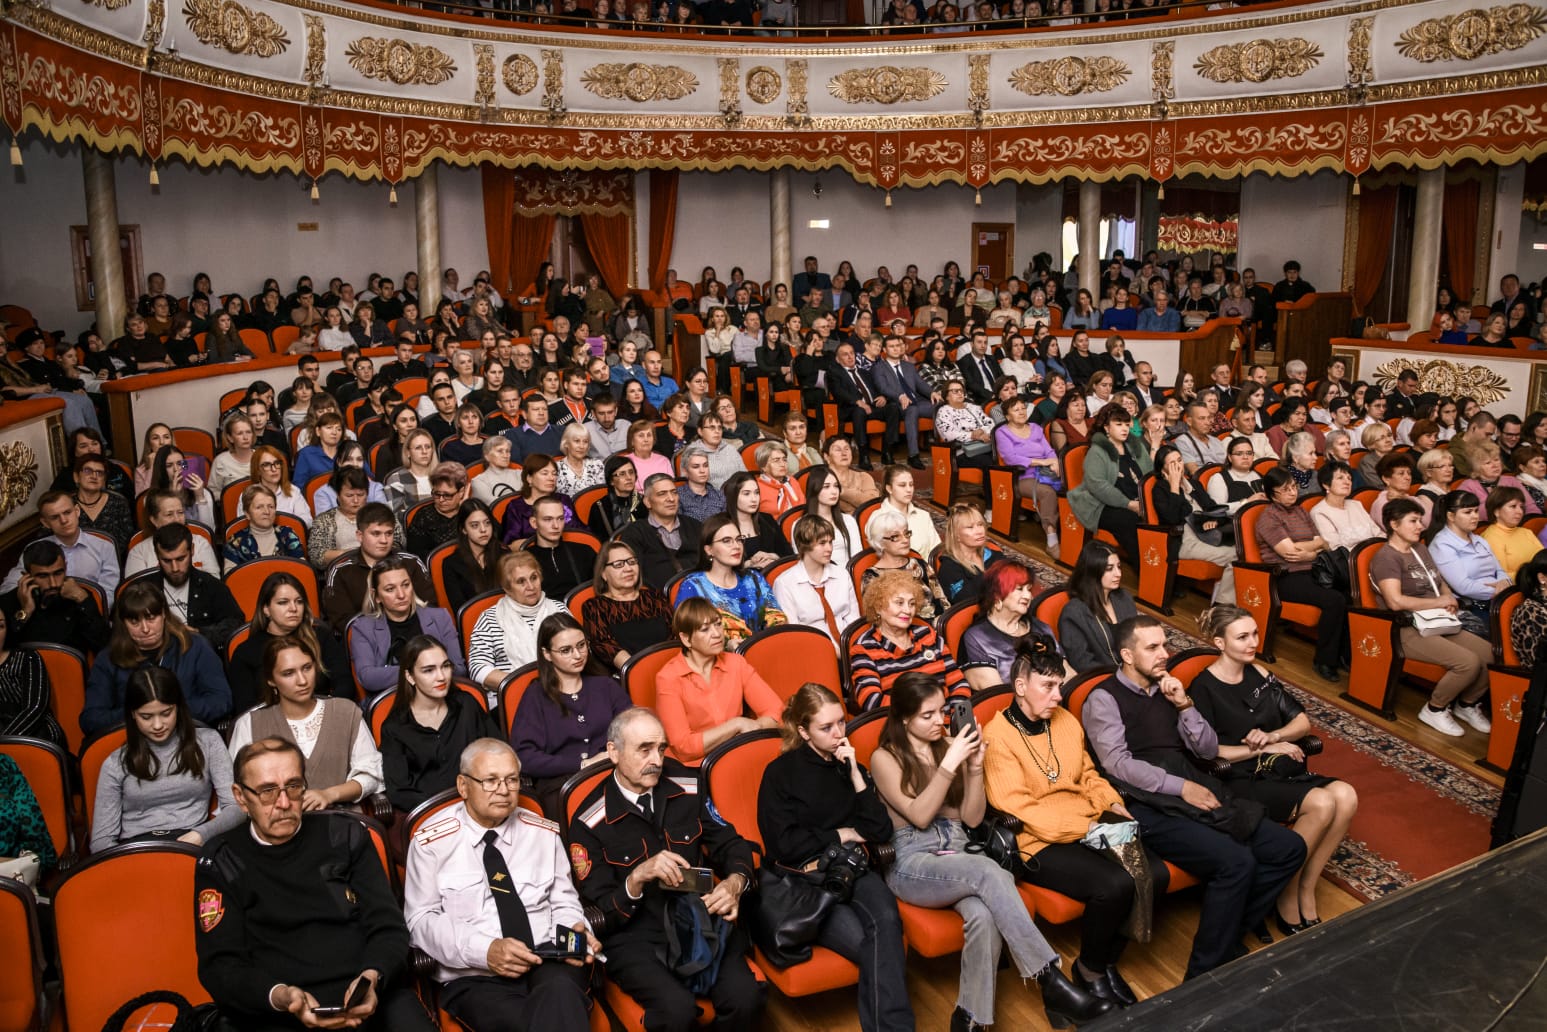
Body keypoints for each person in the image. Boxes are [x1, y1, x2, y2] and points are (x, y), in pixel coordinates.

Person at [873, 671, 1113, 1028]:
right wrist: (950, 763)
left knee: (983, 917)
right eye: (927, 715)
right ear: (904, 718)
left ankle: (968, 1019)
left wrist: (973, 769)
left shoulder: (947, 746)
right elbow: (920, 816)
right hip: (912, 860)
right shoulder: (885, 758)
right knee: (989, 870)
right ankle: (1051, 981)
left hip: (958, 850)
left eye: (942, 711)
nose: (939, 721)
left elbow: (971, 818)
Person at [1081, 615, 1307, 979]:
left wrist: (1184, 704)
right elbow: (1118, 765)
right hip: (1144, 804)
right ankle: (1203, 974)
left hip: (1192, 784)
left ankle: (1228, 938)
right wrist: (1181, 787)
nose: (1164, 654)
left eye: (1164, 645)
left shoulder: (1169, 690)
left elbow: (1206, 750)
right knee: (1237, 862)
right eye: (1152, 648)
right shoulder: (1104, 698)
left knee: (1289, 848)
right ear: (1127, 655)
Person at [194, 737, 432, 1032]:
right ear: (241, 797)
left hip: (365, 994)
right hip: (277, 1010)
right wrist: (281, 997)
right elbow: (221, 967)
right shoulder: (221, 859)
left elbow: (388, 928)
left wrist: (373, 976)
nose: (284, 803)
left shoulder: (344, 836)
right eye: (267, 791)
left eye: (293, 786)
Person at [983, 645, 1160, 1009]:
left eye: (1059, 685)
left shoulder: (1065, 721)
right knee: (1113, 885)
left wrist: (1111, 804)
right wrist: (1089, 826)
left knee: (1152, 872)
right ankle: (1089, 969)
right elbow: (1021, 810)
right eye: (1047, 686)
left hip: (1088, 821)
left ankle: (1106, 960)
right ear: (1020, 686)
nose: (1058, 696)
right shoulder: (997, 737)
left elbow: (1089, 775)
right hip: (1037, 840)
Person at [567, 708, 763, 1031]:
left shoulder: (688, 784)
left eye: (660, 748)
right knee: (677, 1012)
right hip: (635, 935)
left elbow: (731, 844)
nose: (656, 760)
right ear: (613, 752)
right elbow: (601, 912)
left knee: (746, 998)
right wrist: (636, 878)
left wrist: (735, 883)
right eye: (644, 750)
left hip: (697, 917)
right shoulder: (589, 821)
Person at [404, 736, 598, 1031]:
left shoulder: (541, 832)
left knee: (560, 991)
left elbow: (564, 901)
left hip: (546, 958)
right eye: (491, 781)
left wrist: (573, 930)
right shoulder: (432, 842)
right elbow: (421, 920)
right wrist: (485, 950)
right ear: (463, 785)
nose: (504, 790)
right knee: (540, 1019)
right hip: (474, 975)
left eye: (512, 779)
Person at [1191, 605, 1360, 934]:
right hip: (1239, 777)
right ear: (1220, 643)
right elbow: (1210, 752)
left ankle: (1306, 886)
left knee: (1346, 795)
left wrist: (1274, 736)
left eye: (1254, 633)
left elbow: (1302, 722)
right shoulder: (1203, 688)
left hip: (1277, 770)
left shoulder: (1259, 674)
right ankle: (1286, 891)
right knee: (1322, 802)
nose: (1253, 642)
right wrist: (1263, 748)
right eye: (1242, 637)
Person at [757, 684, 916, 1032]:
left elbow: (879, 829)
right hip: (808, 881)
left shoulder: (848, 765)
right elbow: (783, 845)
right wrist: (840, 834)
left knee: (888, 922)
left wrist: (856, 775)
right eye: (826, 727)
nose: (838, 733)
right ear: (803, 731)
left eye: (841, 722)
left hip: (852, 868)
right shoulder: (780, 773)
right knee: (872, 947)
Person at [1371, 498, 1494, 737]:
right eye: (1413, 521)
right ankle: (1434, 708)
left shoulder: (1419, 549)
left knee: (1490, 655)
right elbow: (1395, 602)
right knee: (1468, 663)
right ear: (1394, 525)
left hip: (1438, 619)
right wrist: (1438, 602)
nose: (1420, 526)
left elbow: (1438, 581)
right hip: (1407, 626)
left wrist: (1447, 597)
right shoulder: (1386, 557)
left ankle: (1466, 704)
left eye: (1420, 520)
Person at [89, 665, 242, 851]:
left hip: (192, 841)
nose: (157, 725)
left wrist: (201, 835)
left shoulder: (209, 742)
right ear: (133, 714)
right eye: (146, 717)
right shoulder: (116, 763)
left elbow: (236, 807)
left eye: (166, 713)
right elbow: (101, 840)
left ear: (178, 708)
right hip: (137, 848)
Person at [228, 636, 384, 809]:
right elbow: (238, 789)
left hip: (342, 817)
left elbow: (371, 775)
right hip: (275, 821)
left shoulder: (346, 712)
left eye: (307, 668)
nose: (302, 681)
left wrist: (329, 794)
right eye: (288, 673)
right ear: (271, 679)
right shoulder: (250, 723)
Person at [81, 580, 231, 737]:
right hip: (131, 741)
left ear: (164, 614)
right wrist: (141, 713)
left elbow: (221, 701)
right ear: (123, 623)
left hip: (189, 735)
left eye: (151, 618)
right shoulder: (108, 658)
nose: (145, 629)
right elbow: (91, 719)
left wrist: (171, 710)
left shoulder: (195, 646)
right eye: (134, 622)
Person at [653, 597, 782, 764]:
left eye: (718, 624)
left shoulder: (736, 663)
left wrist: (751, 728)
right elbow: (684, 747)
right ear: (686, 639)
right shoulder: (668, 677)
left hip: (739, 753)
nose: (717, 634)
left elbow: (777, 712)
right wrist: (735, 726)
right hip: (697, 766)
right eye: (705, 629)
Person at [379, 635, 495, 814]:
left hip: (481, 804)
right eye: (428, 670)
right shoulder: (395, 727)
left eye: (445, 666)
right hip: (431, 814)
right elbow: (399, 792)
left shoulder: (467, 704)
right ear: (410, 676)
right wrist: (443, 809)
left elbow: (497, 752)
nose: (441, 677)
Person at [1254, 467, 1351, 681]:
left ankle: (1344, 655)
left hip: (1313, 569)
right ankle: (1324, 661)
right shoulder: (1268, 517)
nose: (1292, 492)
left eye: (1294, 487)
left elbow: (1324, 543)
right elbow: (1289, 553)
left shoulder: (1300, 511)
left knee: (1348, 593)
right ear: (1272, 494)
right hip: (1286, 577)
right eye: (1285, 489)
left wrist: (1310, 553)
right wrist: (1314, 548)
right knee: (1334, 600)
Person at [849, 569, 969, 711]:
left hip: (948, 718)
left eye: (911, 604)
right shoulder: (864, 649)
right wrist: (923, 715)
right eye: (899, 603)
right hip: (903, 723)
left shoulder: (928, 634)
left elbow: (959, 683)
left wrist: (955, 717)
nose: (907, 610)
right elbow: (871, 701)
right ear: (878, 607)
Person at [348, 557, 466, 697]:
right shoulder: (363, 628)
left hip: (441, 696)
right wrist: (419, 670)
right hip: (394, 700)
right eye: (390, 589)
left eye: (405, 585)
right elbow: (368, 677)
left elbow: (459, 668)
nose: (401, 595)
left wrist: (421, 671)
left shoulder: (440, 617)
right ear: (376, 596)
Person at [320, 502, 436, 634]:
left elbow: (429, 606)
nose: (384, 540)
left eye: (389, 533)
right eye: (376, 534)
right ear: (360, 536)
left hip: (415, 633)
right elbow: (342, 620)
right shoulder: (340, 570)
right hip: (364, 638)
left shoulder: (411, 562)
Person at [469, 551, 569, 690]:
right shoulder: (489, 618)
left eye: (534, 578)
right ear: (507, 588)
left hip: (561, 687)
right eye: (521, 581)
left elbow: (579, 651)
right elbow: (478, 668)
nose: (531, 586)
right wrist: (524, 685)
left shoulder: (559, 610)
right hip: (514, 693)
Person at [1069, 406, 1152, 566]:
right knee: (1130, 520)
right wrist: (1129, 504)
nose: (1125, 429)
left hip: (1136, 499)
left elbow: (1150, 473)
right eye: (1119, 424)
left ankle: (1165, 569)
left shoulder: (1134, 445)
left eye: (1127, 424)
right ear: (1107, 427)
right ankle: (1145, 568)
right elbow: (1098, 487)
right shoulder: (1097, 451)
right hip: (1102, 504)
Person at [958, 560, 1059, 691]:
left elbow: (1066, 672)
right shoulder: (977, 638)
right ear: (997, 595)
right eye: (1020, 589)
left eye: (1029, 589)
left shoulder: (1041, 628)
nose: (1028, 596)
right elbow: (998, 696)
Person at [145, 523, 247, 651]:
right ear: (157, 555)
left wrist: (199, 633)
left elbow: (235, 624)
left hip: (201, 653)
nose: (175, 568)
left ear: (192, 550)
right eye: (166, 561)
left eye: (181, 559)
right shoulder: (145, 588)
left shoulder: (212, 586)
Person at [0, 539, 111, 654]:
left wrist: (83, 600)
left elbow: (105, 648)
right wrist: (25, 612)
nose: (53, 584)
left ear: (65, 568)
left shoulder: (79, 597)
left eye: (58, 573)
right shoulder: (7, 601)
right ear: (26, 576)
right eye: (43, 576)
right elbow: (3, 652)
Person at [1428, 490, 1510, 637]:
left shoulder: (1479, 540)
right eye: (1468, 512)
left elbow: (1500, 570)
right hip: (1475, 605)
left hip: (1500, 600)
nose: (1475, 516)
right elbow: (1464, 586)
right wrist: (1499, 592)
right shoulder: (1442, 545)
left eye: (1476, 511)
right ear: (1451, 516)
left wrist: (1505, 583)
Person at [994, 395, 1062, 558]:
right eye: (1016, 410)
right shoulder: (1002, 432)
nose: (1021, 412)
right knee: (1048, 493)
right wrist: (1041, 462)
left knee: (1071, 488)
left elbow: (1049, 450)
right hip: (1022, 477)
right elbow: (1010, 458)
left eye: (1023, 408)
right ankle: (1052, 540)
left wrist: (1054, 462)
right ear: (1007, 416)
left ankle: (1072, 534)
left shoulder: (1035, 428)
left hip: (1046, 472)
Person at [1058, 541, 1140, 672]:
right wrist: (1123, 676)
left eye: (1119, 567)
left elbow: (1137, 639)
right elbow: (1082, 663)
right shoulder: (1074, 612)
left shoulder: (1124, 598)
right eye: (1109, 569)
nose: (1118, 574)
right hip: (1106, 677)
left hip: (1134, 669)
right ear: (1093, 572)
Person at [616, 473, 702, 591]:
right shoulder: (635, 533)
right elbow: (631, 574)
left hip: (702, 594)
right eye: (662, 494)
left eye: (674, 492)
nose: (671, 499)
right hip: (657, 597)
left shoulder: (695, 526)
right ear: (647, 502)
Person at [0, 603, 63, 746]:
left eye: (0, 626)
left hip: (33, 735)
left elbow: (35, 709)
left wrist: (4, 743)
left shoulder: (27, 659)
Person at [935, 502, 1003, 605]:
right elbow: (968, 604)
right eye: (970, 527)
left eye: (980, 525)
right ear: (956, 535)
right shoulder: (949, 569)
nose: (979, 531)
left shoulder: (995, 556)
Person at [874, 464, 943, 559]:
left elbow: (937, 551)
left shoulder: (923, 515)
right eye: (902, 485)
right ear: (889, 489)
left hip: (927, 567)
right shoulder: (877, 519)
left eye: (911, 485)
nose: (909, 490)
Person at [1481, 485, 1546, 577]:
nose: (1520, 511)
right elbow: (1502, 577)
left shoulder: (1526, 532)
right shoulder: (1491, 538)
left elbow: (1544, 560)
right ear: (1496, 511)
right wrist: (1536, 577)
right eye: (1513, 506)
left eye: (1521, 507)